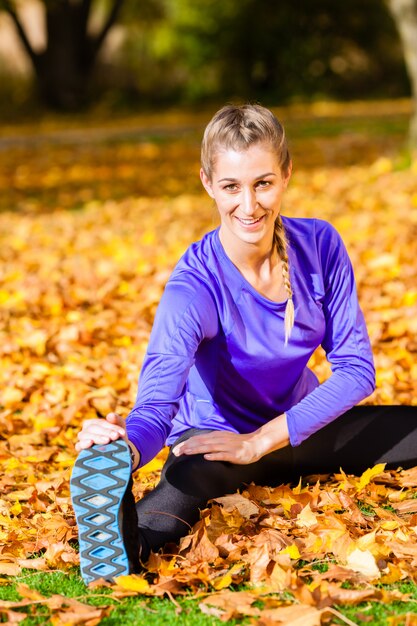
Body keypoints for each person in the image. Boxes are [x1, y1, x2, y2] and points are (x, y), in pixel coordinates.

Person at [70, 104, 417, 585]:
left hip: (296, 429)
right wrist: (124, 449)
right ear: (207, 182)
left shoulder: (320, 246)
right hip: (214, 442)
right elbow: (157, 401)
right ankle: (118, 538)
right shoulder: (194, 286)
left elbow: (357, 370)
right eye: (232, 186)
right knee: (167, 515)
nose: (249, 205)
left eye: (263, 183)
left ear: (287, 174)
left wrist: (260, 442)